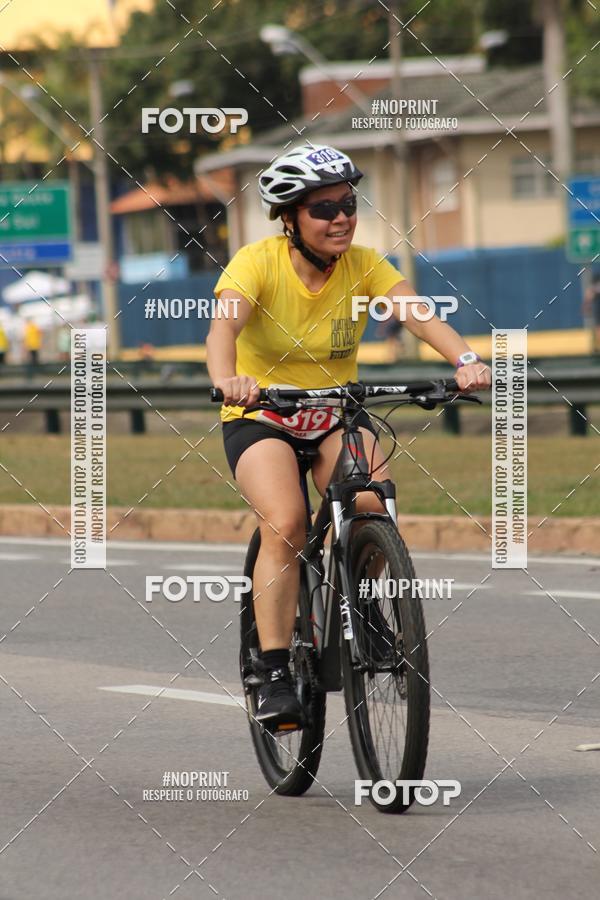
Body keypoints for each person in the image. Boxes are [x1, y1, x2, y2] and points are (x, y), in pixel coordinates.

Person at [207, 143, 491, 728]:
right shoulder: (255, 263)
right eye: (323, 208)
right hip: (264, 415)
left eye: (348, 204)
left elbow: (418, 314)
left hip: (335, 409)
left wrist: (466, 360)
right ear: (289, 219)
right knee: (284, 522)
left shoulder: (365, 266)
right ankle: (275, 668)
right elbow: (225, 325)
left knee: (373, 503)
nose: (340, 218)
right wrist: (228, 379)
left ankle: (364, 613)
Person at [582, 271, 600, 354]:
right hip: (598, 307)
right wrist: (586, 306)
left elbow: (589, 294)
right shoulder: (596, 278)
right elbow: (590, 293)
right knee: (597, 328)